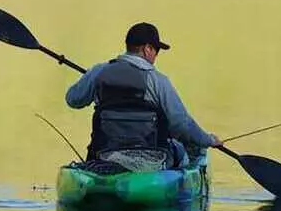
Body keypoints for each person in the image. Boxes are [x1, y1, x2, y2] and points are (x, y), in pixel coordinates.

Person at [65, 22, 221, 170]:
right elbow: (181, 124)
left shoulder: (99, 72)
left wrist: (91, 78)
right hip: (152, 159)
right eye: (156, 51)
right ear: (147, 49)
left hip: (104, 155)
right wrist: (208, 140)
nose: (155, 56)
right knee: (192, 147)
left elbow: (73, 99)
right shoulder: (158, 81)